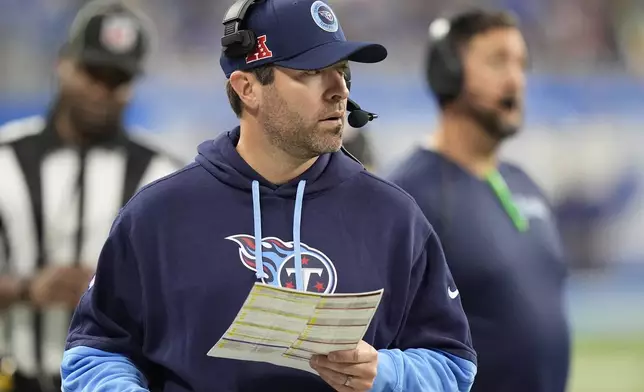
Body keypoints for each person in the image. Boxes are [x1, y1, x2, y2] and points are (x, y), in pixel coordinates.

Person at [60, 0, 478, 391]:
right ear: (247, 88)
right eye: (311, 72)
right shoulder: (157, 215)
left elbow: (454, 364)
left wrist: (386, 373)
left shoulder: (394, 216)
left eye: (342, 69)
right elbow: (94, 353)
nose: (339, 90)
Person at [0, 1, 182, 391]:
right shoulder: (5, 157)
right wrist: (26, 289)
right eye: (92, 72)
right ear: (63, 63)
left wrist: (119, 293)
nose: (101, 90)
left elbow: (187, 298)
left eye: (116, 79)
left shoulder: (165, 174)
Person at [388, 10, 570, 392]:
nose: (516, 79)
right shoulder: (409, 196)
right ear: (448, 72)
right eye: (497, 61)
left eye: (521, 63)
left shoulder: (524, 182)